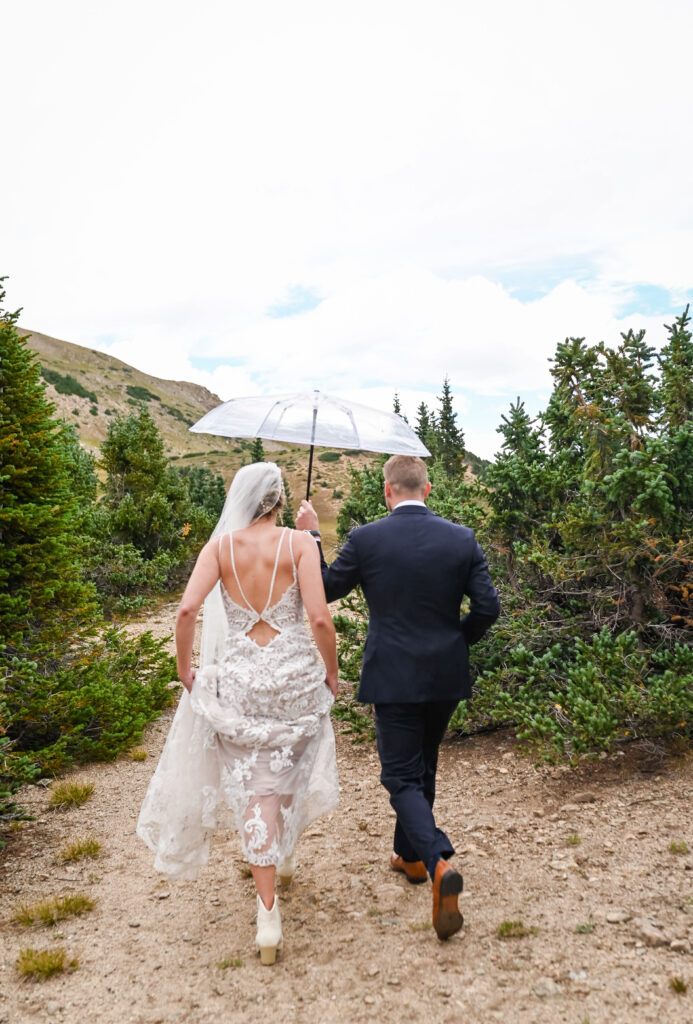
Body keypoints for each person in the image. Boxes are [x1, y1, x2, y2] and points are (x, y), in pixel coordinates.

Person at [137, 462, 339, 965]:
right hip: (293, 677)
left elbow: (186, 611)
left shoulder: (220, 547)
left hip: (242, 680)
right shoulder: (299, 544)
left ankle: (267, 912)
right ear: (279, 500)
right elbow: (319, 617)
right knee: (286, 767)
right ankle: (284, 855)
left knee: (257, 786)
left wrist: (187, 671)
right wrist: (331, 673)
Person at [296, 454, 499, 941]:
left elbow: (323, 590)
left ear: (387, 492)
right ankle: (409, 858)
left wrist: (311, 537)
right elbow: (488, 608)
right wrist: (456, 642)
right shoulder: (462, 538)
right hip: (445, 674)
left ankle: (436, 861)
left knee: (399, 774)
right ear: (426, 490)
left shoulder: (367, 539)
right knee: (422, 764)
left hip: (393, 674)